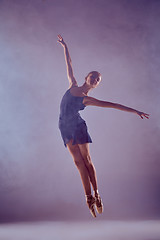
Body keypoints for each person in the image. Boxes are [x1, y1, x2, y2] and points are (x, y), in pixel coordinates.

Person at [57, 34, 149, 218]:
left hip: (78, 127)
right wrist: (65, 46)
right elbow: (69, 64)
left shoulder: (88, 99)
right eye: (94, 76)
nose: (95, 79)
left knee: (87, 161)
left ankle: (97, 194)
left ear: (96, 85)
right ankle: (88, 198)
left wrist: (135, 111)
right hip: (64, 127)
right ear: (87, 77)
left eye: (98, 80)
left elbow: (114, 105)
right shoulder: (73, 84)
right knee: (77, 163)